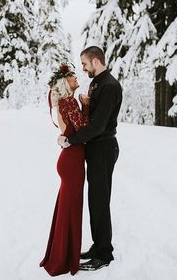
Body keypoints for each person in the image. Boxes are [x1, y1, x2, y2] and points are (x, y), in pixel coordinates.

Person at [58, 46, 122, 271]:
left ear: (95, 61)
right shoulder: (97, 83)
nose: (83, 68)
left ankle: (104, 254)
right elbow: (88, 118)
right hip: (95, 149)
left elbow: (98, 126)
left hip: (104, 148)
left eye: (84, 64)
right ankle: (98, 246)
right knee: (95, 200)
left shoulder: (110, 86)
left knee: (100, 201)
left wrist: (71, 140)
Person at [39, 63, 90, 276]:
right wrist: (85, 104)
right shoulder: (69, 101)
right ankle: (62, 259)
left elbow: (70, 130)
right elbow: (84, 129)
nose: (76, 78)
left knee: (66, 209)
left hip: (69, 159)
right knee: (71, 209)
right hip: (72, 161)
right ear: (64, 83)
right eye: (72, 77)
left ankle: (62, 253)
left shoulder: (62, 102)